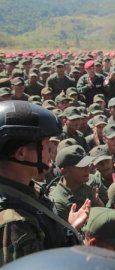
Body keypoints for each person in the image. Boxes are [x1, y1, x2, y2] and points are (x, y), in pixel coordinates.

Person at [0, 101, 88, 266]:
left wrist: (67, 229)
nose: (53, 150)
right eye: (45, 144)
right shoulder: (14, 224)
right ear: (21, 153)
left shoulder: (27, 190)